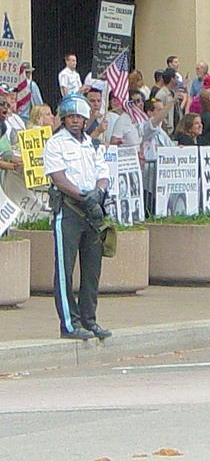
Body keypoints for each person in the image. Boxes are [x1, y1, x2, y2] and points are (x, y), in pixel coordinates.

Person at [43, 93, 112, 340]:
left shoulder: (92, 145)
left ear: (85, 120)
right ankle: (69, 325)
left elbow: (103, 174)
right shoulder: (56, 143)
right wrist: (85, 198)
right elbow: (59, 178)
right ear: (63, 119)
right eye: (70, 117)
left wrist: (99, 192)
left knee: (92, 270)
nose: (74, 121)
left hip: (92, 214)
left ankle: (89, 320)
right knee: (65, 270)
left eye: (79, 117)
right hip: (69, 212)